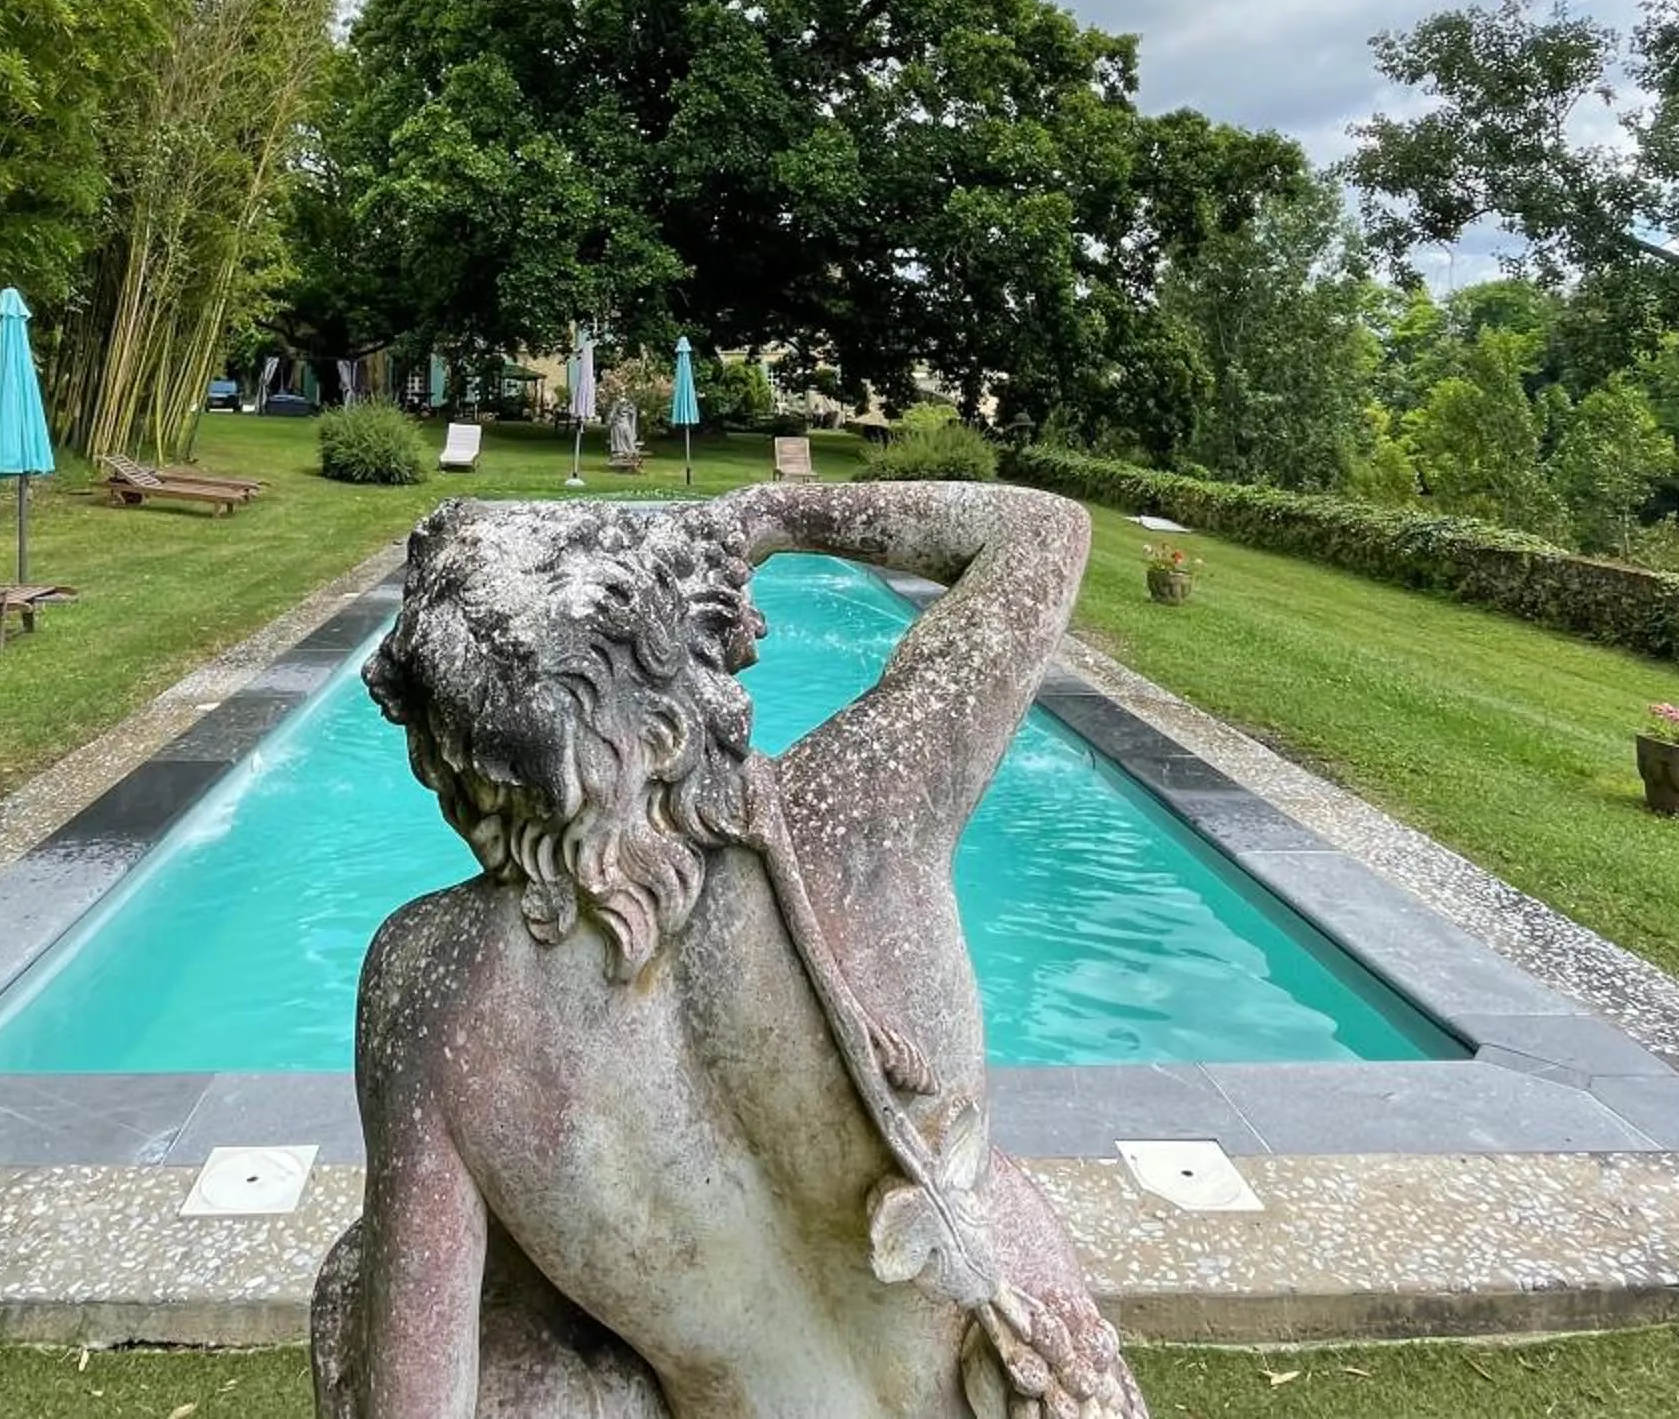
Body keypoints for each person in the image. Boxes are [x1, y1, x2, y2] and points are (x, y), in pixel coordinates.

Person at [312, 482, 1144, 1418]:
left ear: (452, 754)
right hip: (1027, 1386)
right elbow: (1040, 535)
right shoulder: (855, 812)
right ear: (678, 656)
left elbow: (416, 1399)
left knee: (355, 1284)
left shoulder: (432, 986)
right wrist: (774, 516)